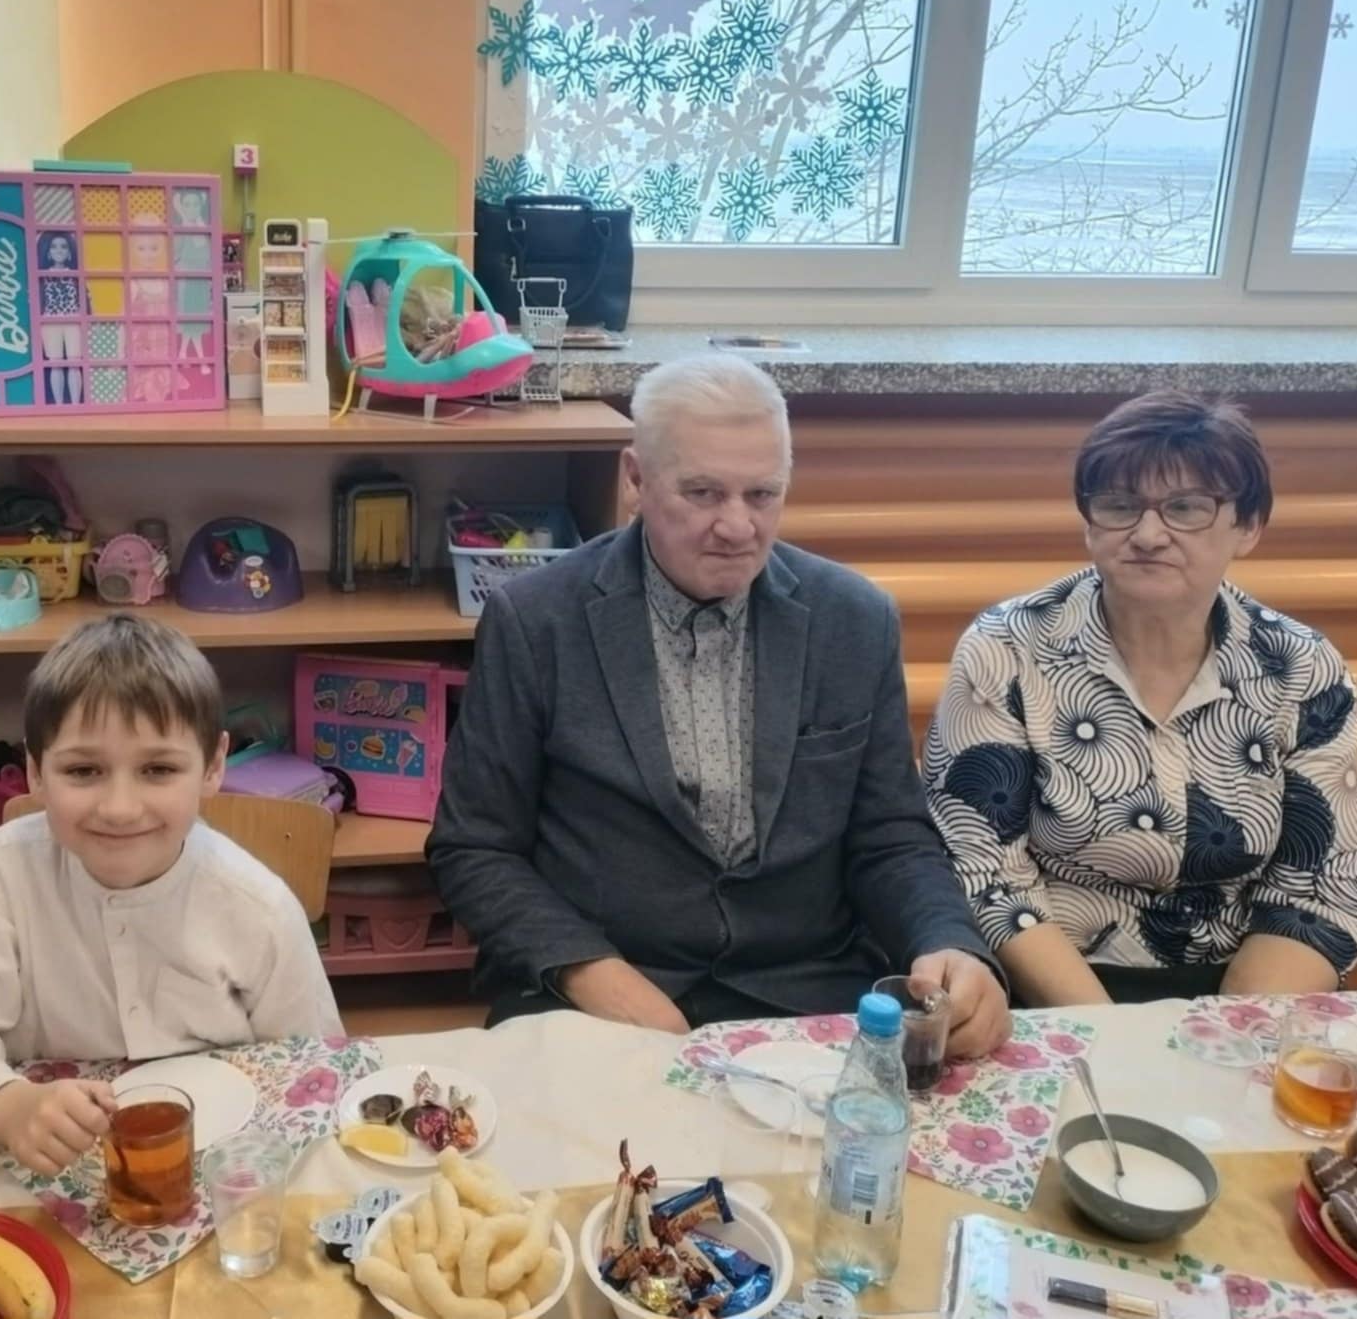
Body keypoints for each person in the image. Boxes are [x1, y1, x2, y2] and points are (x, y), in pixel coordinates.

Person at [427, 355, 1010, 1054]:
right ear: (635, 479)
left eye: (762, 495)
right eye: (702, 493)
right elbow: (474, 846)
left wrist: (947, 940)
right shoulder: (535, 620)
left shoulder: (854, 619)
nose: (737, 527)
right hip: (597, 985)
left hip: (804, 984)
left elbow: (890, 837)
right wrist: (589, 971)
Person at [925, 391, 1357, 1006]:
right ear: (1089, 522)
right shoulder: (1006, 648)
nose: (1148, 534)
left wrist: (1230, 1032)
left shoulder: (1301, 666)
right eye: (1119, 505)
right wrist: (1119, 1037)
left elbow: (1321, 886)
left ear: (1248, 527)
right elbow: (984, 869)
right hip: (1052, 982)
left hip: (1245, 987)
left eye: (1186, 508)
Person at [0, 614, 341, 1175]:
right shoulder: (1, 873)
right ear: (35, 771)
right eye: (83, 771)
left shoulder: (259, 907)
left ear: (213, 766)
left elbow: (314, 1072)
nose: (120, 809)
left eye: (158, 769)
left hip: (227, 1173)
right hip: (48, 1164)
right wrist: (5, 1107)